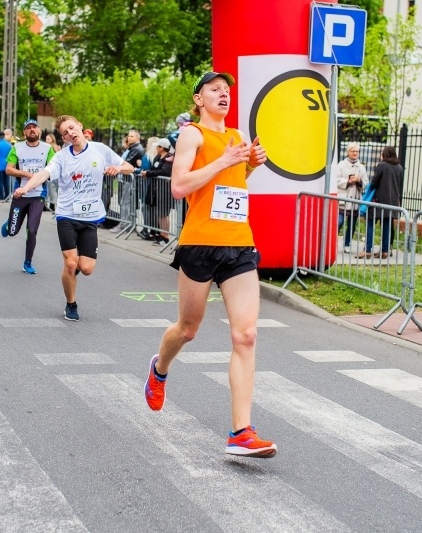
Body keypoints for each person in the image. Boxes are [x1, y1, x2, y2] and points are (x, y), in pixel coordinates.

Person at [142, 72, 275, 458]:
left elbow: (231, 183)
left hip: (238, 243)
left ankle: (241, 432)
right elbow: (180, 186)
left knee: (246, 335)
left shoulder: (235, 136)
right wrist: (225, 159)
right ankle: (159, 368)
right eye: (215, 89)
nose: (224, 94)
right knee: (187, 330)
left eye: (228, 91)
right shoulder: (193, 134)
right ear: (198, 98)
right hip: (200, 243)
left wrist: (249, 166)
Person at [12, 115, 134, 320]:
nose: (70, 133)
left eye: (71, 128)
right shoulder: (61, 157)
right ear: (64, 138)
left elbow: (130, 167)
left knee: (86, 268)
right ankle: (71, 304)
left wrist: (118, 168)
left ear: (80, 126)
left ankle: (70, 275)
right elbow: (44, 174)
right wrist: (25, 188)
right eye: (65, 133)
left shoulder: (100, 150)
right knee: (70, 263)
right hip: (66, 215)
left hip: (90, 217)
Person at [1, 120, 55, 274]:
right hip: (20, 194)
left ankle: (27, 262)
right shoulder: (16, 148)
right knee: (12, 231)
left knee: (32, 230)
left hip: (38, 195)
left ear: (39, 131)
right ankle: (8, 225)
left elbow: (53, 168)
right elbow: (9, 170)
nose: (32, 130)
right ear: (24, 132)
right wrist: (26, 174)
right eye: (28, 128)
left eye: (34, 127)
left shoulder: (48, 148)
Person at [357, 146, 403, 260]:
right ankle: (385, 251)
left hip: (377, 200)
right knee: (387, 225)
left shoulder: (382, 166)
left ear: (384, 154)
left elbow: (374, 182)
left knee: (370, 223)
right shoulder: (400, 168)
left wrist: (368, 190)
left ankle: (367, 250)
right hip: (392, 201)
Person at [336, 142, 368, 254]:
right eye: (352, 151)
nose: (355, 153)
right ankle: (332, 242)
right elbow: (336, 180)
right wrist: (348, 181)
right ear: (348, 152)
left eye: (357, 151)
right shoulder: (341, 165)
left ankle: (347, 244)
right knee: (338, 221)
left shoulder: (362, 167)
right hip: (342, 199)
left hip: (355, 200)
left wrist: (359, 181)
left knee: (352, 224)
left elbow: (366, 183)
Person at [143, 138, 174, 245]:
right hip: (156, 189)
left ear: (161, 148)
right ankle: (161, 234)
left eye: (158, 146)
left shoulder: (169, 158)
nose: (156, 148)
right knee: (159, 214)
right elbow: (153, 169)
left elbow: (164, 171)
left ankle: (165, 236)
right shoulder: (158, 157)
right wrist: (148, 172)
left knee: (163, 214)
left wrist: (148, 174)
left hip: (164, 190)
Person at [44, 133, 61, 212]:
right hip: (52, 169)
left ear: (52, 139)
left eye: (48, 139)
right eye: (46, 139)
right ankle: (51, 204)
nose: (47, 141)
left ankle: (53, 205)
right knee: (52, 188)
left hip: (52, 169)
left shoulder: (52, 147)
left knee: (52, 188)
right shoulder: (56, 147)